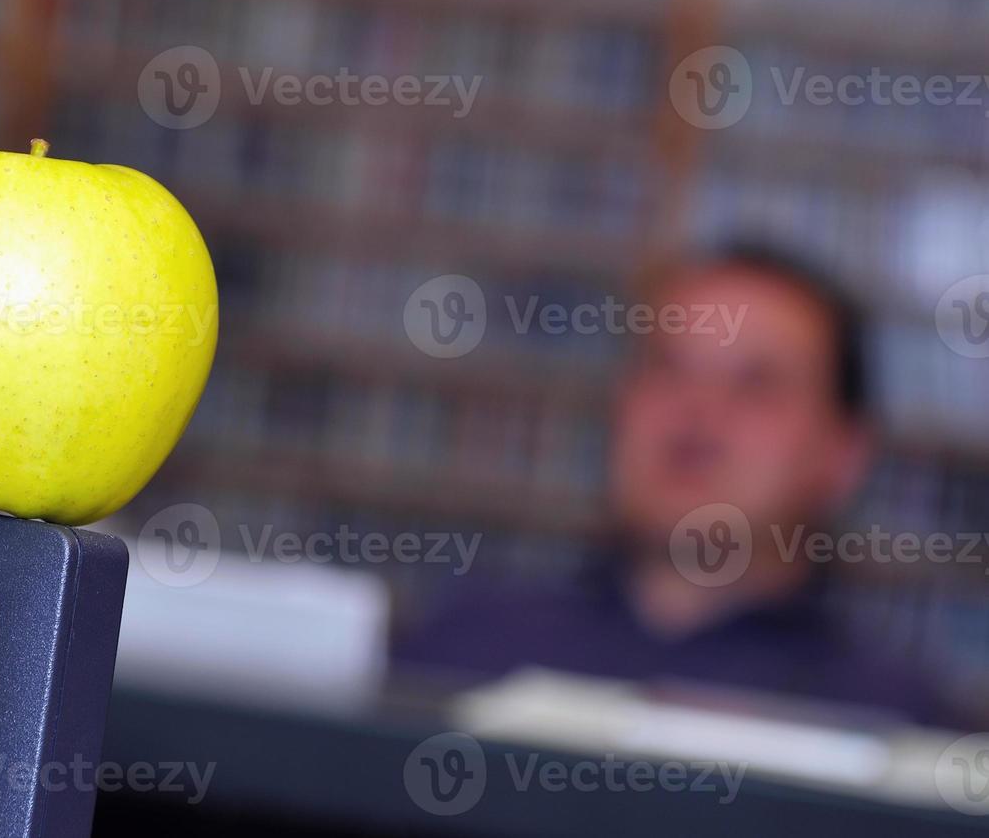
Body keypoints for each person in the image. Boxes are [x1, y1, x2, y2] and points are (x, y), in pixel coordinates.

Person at [396, 244, 959, 727]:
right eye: (668, 368)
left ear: (843, 455)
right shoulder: (459, 652)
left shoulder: (896, 726)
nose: (697, 411)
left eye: (755, 384)